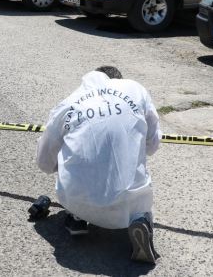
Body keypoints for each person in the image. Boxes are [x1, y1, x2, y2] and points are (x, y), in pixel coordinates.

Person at [36, 66, 162, 264]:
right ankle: (140, 221)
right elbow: (153, 145)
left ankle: (76, 216)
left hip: (76, 199)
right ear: (117, 80)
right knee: (137, 182)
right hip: (129, 205)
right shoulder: (135, 90)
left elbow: (43, 162)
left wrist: (61, 164)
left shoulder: (68, 104)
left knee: (71, 155)